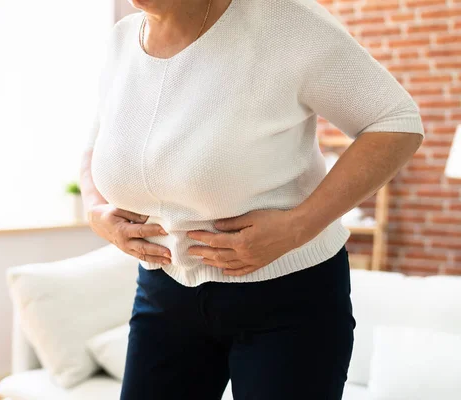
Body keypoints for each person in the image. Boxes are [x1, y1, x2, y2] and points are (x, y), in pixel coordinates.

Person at [79, 0, 424, 398]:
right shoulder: (122, 40)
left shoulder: (284, 20)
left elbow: (395, 122)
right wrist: (94, 208)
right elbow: (96, 143)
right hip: (164, 290)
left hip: (286, 297)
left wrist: (299, 226)